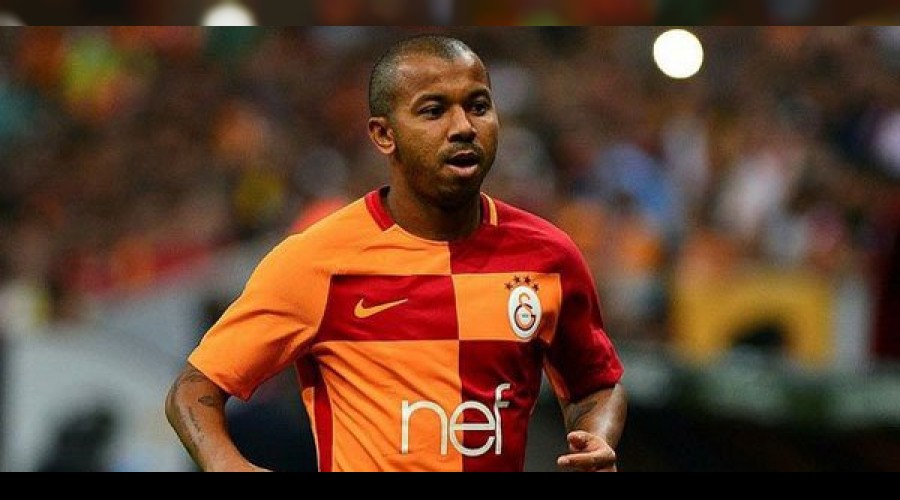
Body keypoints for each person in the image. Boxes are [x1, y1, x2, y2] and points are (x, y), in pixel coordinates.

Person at [165, 34, 626, 472]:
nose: (463, 127)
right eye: (434, 111)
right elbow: (194, 388)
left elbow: (596, 386)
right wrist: (225, 462)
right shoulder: (317, 261)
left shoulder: (548, 257)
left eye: (478, 106)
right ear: (384, 135)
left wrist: (597, 437)